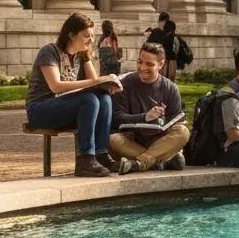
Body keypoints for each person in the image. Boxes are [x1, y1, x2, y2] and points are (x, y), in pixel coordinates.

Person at [25, 12, 121, 177]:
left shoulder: (82, 55)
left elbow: (95, 82)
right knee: (89, 100)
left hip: (65, 107)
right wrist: (97, 82)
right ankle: (85, 159)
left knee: (103, 98)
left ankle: (100, 153)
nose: (91, 40)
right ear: (71, 34)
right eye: (86, 36)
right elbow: (55, 87)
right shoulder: (49, 51)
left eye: (92, 35)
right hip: (40, 109)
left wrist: (107, 85)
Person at [110, 42, 190, 174]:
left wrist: (170, 123)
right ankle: (162, 160)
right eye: (140, 62)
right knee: (113, 139)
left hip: (160, 142)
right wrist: (145, 117)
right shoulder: (125, 84)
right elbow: (117, 118)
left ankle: (139, 163)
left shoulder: (170, 88)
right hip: (133, 142)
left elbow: (175, 122)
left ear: (161, 64)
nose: (142, 67)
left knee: (183, 131)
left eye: (149, 64)